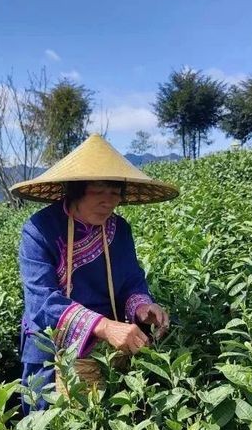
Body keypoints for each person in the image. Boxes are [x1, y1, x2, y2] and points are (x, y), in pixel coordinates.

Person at [9, 133, 179, 414]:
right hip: (50, 346)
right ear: (76, 190)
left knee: (107, 420)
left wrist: (143, 308)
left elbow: (131, 281)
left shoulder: (119, 230)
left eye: (114, 193)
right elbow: (41, 301)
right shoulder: (39, 230)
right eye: (99, 192)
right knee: (42, 426)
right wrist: (104, 326)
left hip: (106, 350)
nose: (108, 202)